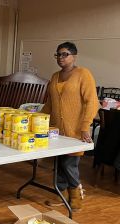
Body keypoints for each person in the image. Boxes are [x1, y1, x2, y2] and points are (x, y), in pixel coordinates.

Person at [43, 42, 99, 211]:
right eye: (58, 54)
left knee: (69, 163)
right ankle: (61, 193)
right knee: (59, 161)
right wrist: (39, 119)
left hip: (75, 131)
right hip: (56, 130)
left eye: (65, 54)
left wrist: (84, 127)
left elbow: (92, 102)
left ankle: (76, 195)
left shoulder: (83, 74)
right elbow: (50, 103)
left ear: (74, 56)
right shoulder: (54, 76)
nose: (60, 58)